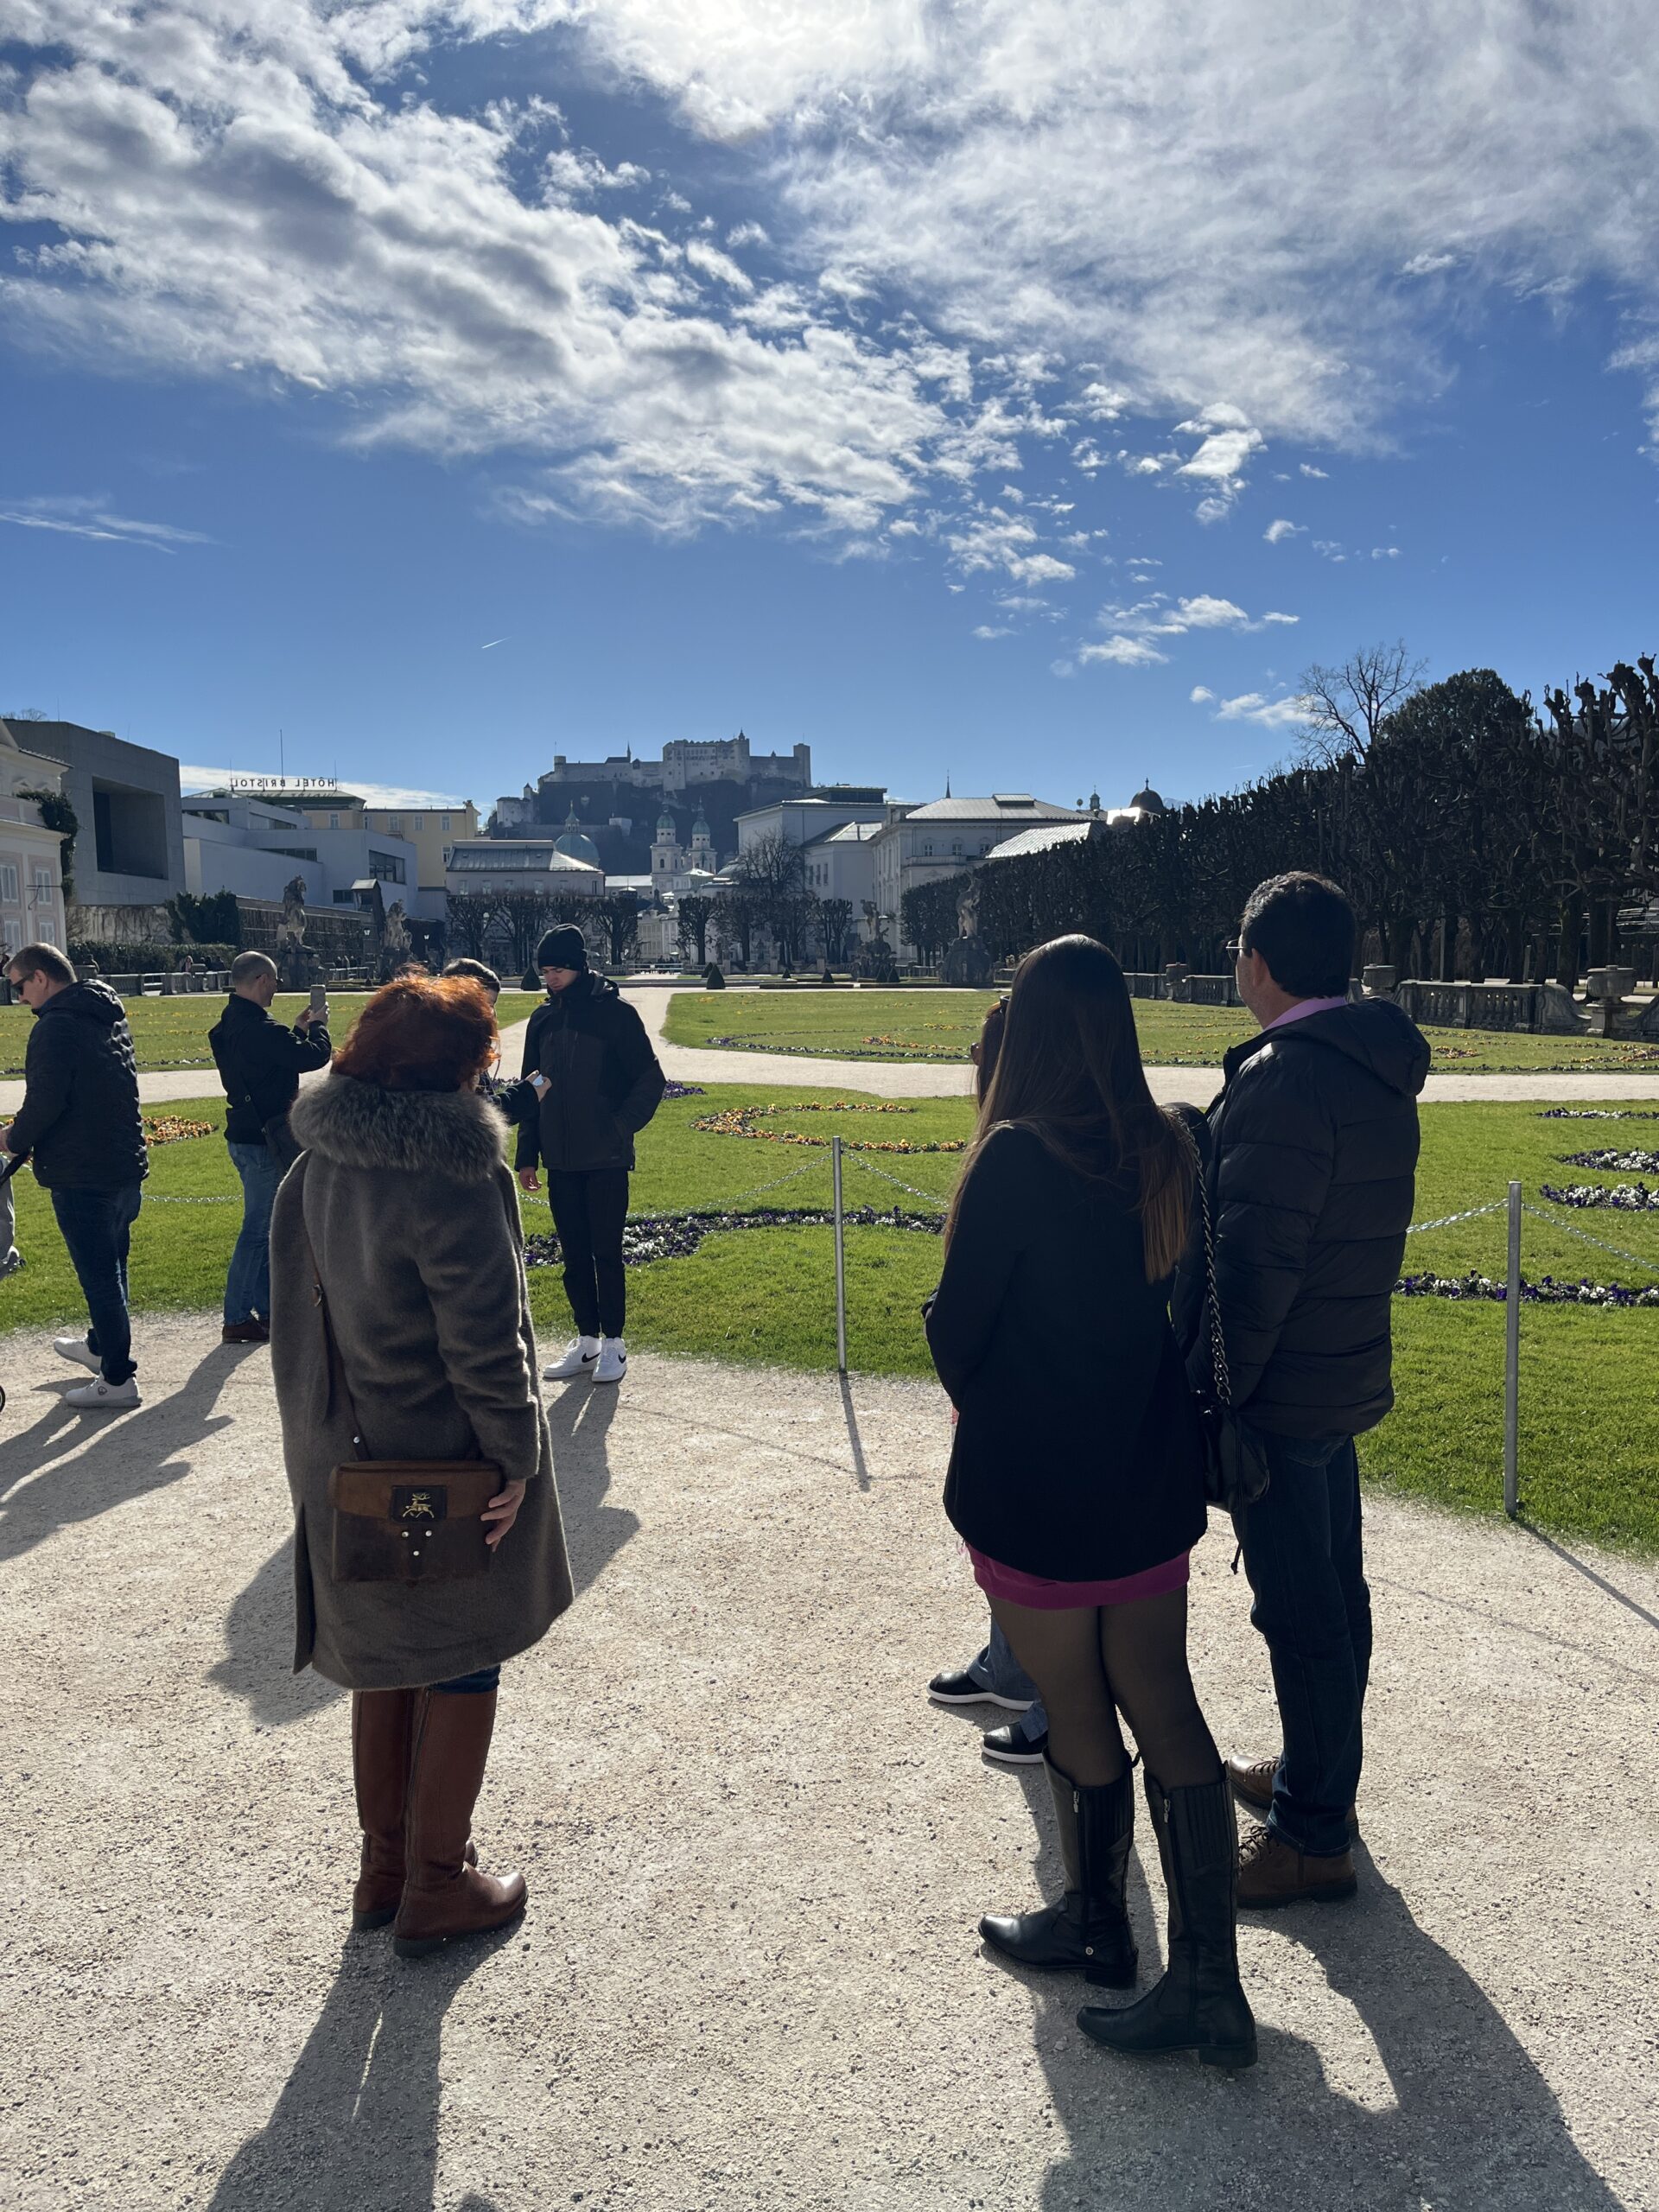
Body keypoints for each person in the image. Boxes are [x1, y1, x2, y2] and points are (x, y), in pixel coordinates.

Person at [925, 935, 1254, 2069]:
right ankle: (1209, 1981)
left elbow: (955, 1338)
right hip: (1146, 1472)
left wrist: (1012, 1399)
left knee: (1075, 1711)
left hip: (1040, 1487)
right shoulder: (1173, 1139)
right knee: (1164, 1699)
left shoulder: (1015, 1155)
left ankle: (1101, 1928)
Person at [270, 974, 573, 1955]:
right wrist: (516, 1457)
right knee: (464, 1654)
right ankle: (437, 1881)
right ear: (459, 1067)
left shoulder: (314, 1163)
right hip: (442, 1455)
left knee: (389, 1658)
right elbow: (485, 1343)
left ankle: (385, 1867)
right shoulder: (448, 1168)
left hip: (341, 1452)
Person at [1174, 873, 1427, 1908]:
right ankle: (1319, 1777)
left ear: (1258, 962)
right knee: (1336, 1602)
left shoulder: (1287, 1075)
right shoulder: (1372, 1061)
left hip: (1283, 1388)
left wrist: (1210, 1389)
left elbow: (1253, 1268)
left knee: (1303, 1613)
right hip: (1342, 1364)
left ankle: (1314, 1831)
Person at [926, 995, 1052, 1768]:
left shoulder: (1020, 1149)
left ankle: (1046, 1697)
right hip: (1010, 1384)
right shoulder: (1011, 1142)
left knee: (1029, 1540)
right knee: (1005, 1538)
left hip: (1024, 1390)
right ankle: (1011, 1665)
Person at [515, 925, 664, 1389]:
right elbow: (530, 1090)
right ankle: (586, 1340)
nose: (551, 978)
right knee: (574, 1255)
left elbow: (650, 1080)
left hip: (605, 1157)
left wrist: (618, 1127)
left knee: (606, 1252)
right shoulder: (542, 1020)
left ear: (578, 967)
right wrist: (527, 1155)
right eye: (545, 971)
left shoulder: (615, 1015)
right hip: (560, 1159)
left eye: (557, 969)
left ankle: (615, 1342)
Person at [3, 943, 148, 1411]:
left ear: (41, 978)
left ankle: (117, 1378)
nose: (19, 997)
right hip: (122, 1163)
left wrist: (11, 1138)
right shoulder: (105, 1012)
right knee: (114, 1266)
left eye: (20, 986)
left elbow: (46, 1101)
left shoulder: (56, 1026)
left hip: (83, 1172)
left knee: (100, 1277)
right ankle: (102, 1346)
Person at [207, 951, 332, 1346]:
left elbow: (267, 1065)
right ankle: (238, 1316)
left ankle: (265, 1309)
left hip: (244, 1132)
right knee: (257, 1231)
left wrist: (294, 1031)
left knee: (263, 1228)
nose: (277, 987)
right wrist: (318, 1028)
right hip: (264, 1140)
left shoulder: (229, 1024)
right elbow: (315, 1057)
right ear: (262, 980)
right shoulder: (261, 1029)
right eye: (274, 980)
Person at [442, 957, 547, 1128]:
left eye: (492, 1007)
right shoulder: (444, 1053)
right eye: (486, 1005)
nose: (491, 1016)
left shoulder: (454, 1042)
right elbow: (473, 1118)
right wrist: (526, 1095)